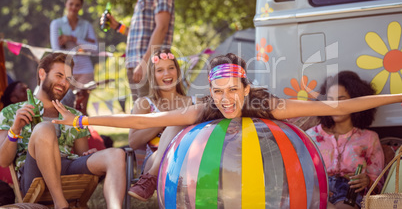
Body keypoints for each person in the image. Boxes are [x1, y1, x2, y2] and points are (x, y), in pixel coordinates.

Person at [52, 53, 402, 200]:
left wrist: (397, 96)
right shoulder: (204, 107)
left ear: (246, 88)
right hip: (216, 176)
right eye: (218, 91)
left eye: (233, 90)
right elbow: (145, 120)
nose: (226, 99)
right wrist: (82, 119)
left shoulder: (264, 103)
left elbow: (338, 105)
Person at [0, 53, 125, 209]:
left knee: (116, 154)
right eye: (59, 75)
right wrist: (15, 129)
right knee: (44, 128)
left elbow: (81, 155)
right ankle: (61, 204)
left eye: (68, 79)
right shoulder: (11, 112)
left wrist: (88, 156)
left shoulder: (75, 116)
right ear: (42, 74)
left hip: (67, 166)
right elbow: (3, 161)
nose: (63, 83)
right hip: (33, 174)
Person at [101, 0, 175, 103]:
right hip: (136, 63)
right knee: (139, 115)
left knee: (150, 118)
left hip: (149, 65)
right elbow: (142, 34)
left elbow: (162, 27)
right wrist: (117, 26)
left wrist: (144, 62)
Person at [127, 48, 200, 201]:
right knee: (177, 121)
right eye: (160, 70)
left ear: (177, 72)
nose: (167, 74)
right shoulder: (145, 104)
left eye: (171, 68)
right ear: (153, 76)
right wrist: (164, 120)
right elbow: (133, 142)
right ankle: (151, 176)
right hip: (154, 161)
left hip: (189, 157)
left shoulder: (194, 102)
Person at [306, 71, 384, 209]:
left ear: (357, 102)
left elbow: (379, 183)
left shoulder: (370, 138)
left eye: (341, 99)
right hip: (317, 193)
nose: (334, 105)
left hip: (350, 195)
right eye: (330, 100)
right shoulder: (309, 136)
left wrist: (367, 181)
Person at [50, 0, 98, 109]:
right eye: (71, 4)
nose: (74, 7)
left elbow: (95, 48)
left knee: (81, 108)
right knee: (63, 105)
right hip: (65, 70)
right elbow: (56, 50)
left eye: (77, 5)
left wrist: (72, 38)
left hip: (85, 70)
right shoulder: (57, 24)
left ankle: (82, 128)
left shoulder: (86, 25)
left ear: (81, 7)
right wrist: (83, 45)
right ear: (66, 4)